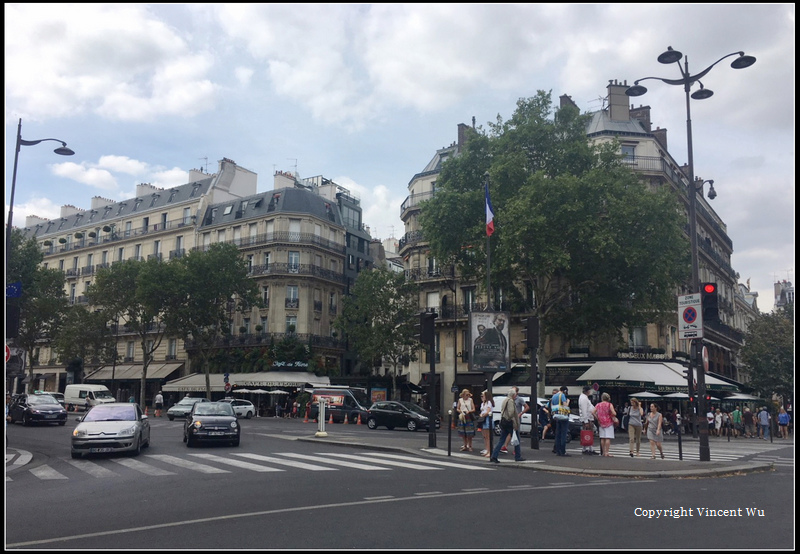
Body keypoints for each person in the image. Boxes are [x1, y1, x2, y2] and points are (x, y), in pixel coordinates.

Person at [489, 388, 524, 463]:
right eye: (515, 394)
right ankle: (518, 456)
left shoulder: (505, 400)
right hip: (510, 423)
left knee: (501, 440)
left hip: (504, 422)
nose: (515, 396)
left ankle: (494, 456)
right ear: (513, 395)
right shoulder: (511, 401)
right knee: (516, 439)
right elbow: (511, 412)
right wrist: (513, 419)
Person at [501, 386, 528, 454]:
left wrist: (520, 413)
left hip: (516, 418)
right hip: (510, 419)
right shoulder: (509, 399)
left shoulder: (519, 399)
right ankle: (506, 446)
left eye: (514, 391)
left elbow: (527, 407)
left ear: (517, 392)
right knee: (509, 433)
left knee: (516, 433)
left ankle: (516, 450)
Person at [593, 392, 617, 457]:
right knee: (608, 437)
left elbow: (593, 412)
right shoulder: (609, 405)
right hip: (608, 422)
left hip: (601, 422)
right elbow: (614, 413)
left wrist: (597, 418)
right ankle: (607, 452)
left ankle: (603, 452)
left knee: (602, 438)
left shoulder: (598, 405)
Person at [550, 386, 571, 457]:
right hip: (563, 416)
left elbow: (552, 405)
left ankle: (558, 450)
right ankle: (563, 451)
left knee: (558, 434)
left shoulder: (554, 396)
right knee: (563, 434)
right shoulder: (562, 395)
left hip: (556, 416)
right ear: (564, 391)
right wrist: (568, 402)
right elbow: (565, 406)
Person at [578, 386, 598, 456]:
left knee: (588, 433)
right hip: (587, 418)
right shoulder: (583, 398)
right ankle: (586, 448)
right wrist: (586, 421)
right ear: (587, 391)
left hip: (589, 418)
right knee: (587, 433)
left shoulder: (584, 397)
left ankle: (589, 448)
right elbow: (584, 410)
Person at [478, 390, 494, 457]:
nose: (482, 397)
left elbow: (488, 411)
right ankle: (487, 449)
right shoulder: (482, 403)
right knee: (485, 436)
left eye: (483, 396)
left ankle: (490, 451)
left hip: (487, 419)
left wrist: (482, 415)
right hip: (483, 420)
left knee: (488, 437)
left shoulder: (489, 402)